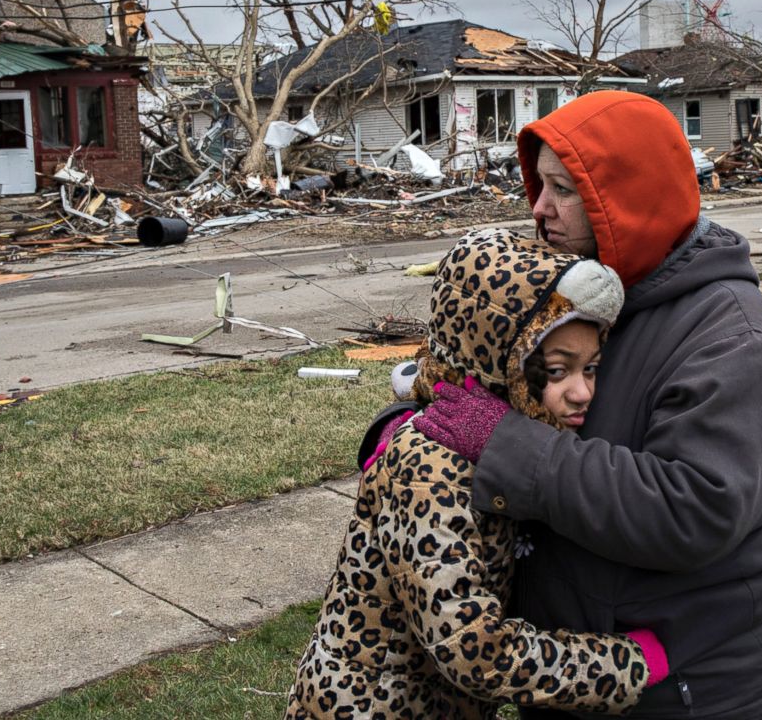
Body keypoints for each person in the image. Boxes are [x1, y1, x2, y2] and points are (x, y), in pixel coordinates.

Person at [413, 91, 762, 720]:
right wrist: (410, 431)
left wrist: (506, 444)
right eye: (538, 186)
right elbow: (474, 386)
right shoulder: (581, 295)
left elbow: (694, 508)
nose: (539, 210)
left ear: (631, 199)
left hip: (686, 686)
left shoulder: (731, 338)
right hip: (574, 671)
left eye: (564, 190)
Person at [283, 228, 670, 720]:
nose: (582, 393)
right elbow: (473, 649)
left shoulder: (496, 446)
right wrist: (628, 665)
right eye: (556, 371)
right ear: (495, 363)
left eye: (591, 368)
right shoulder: (429, 469)